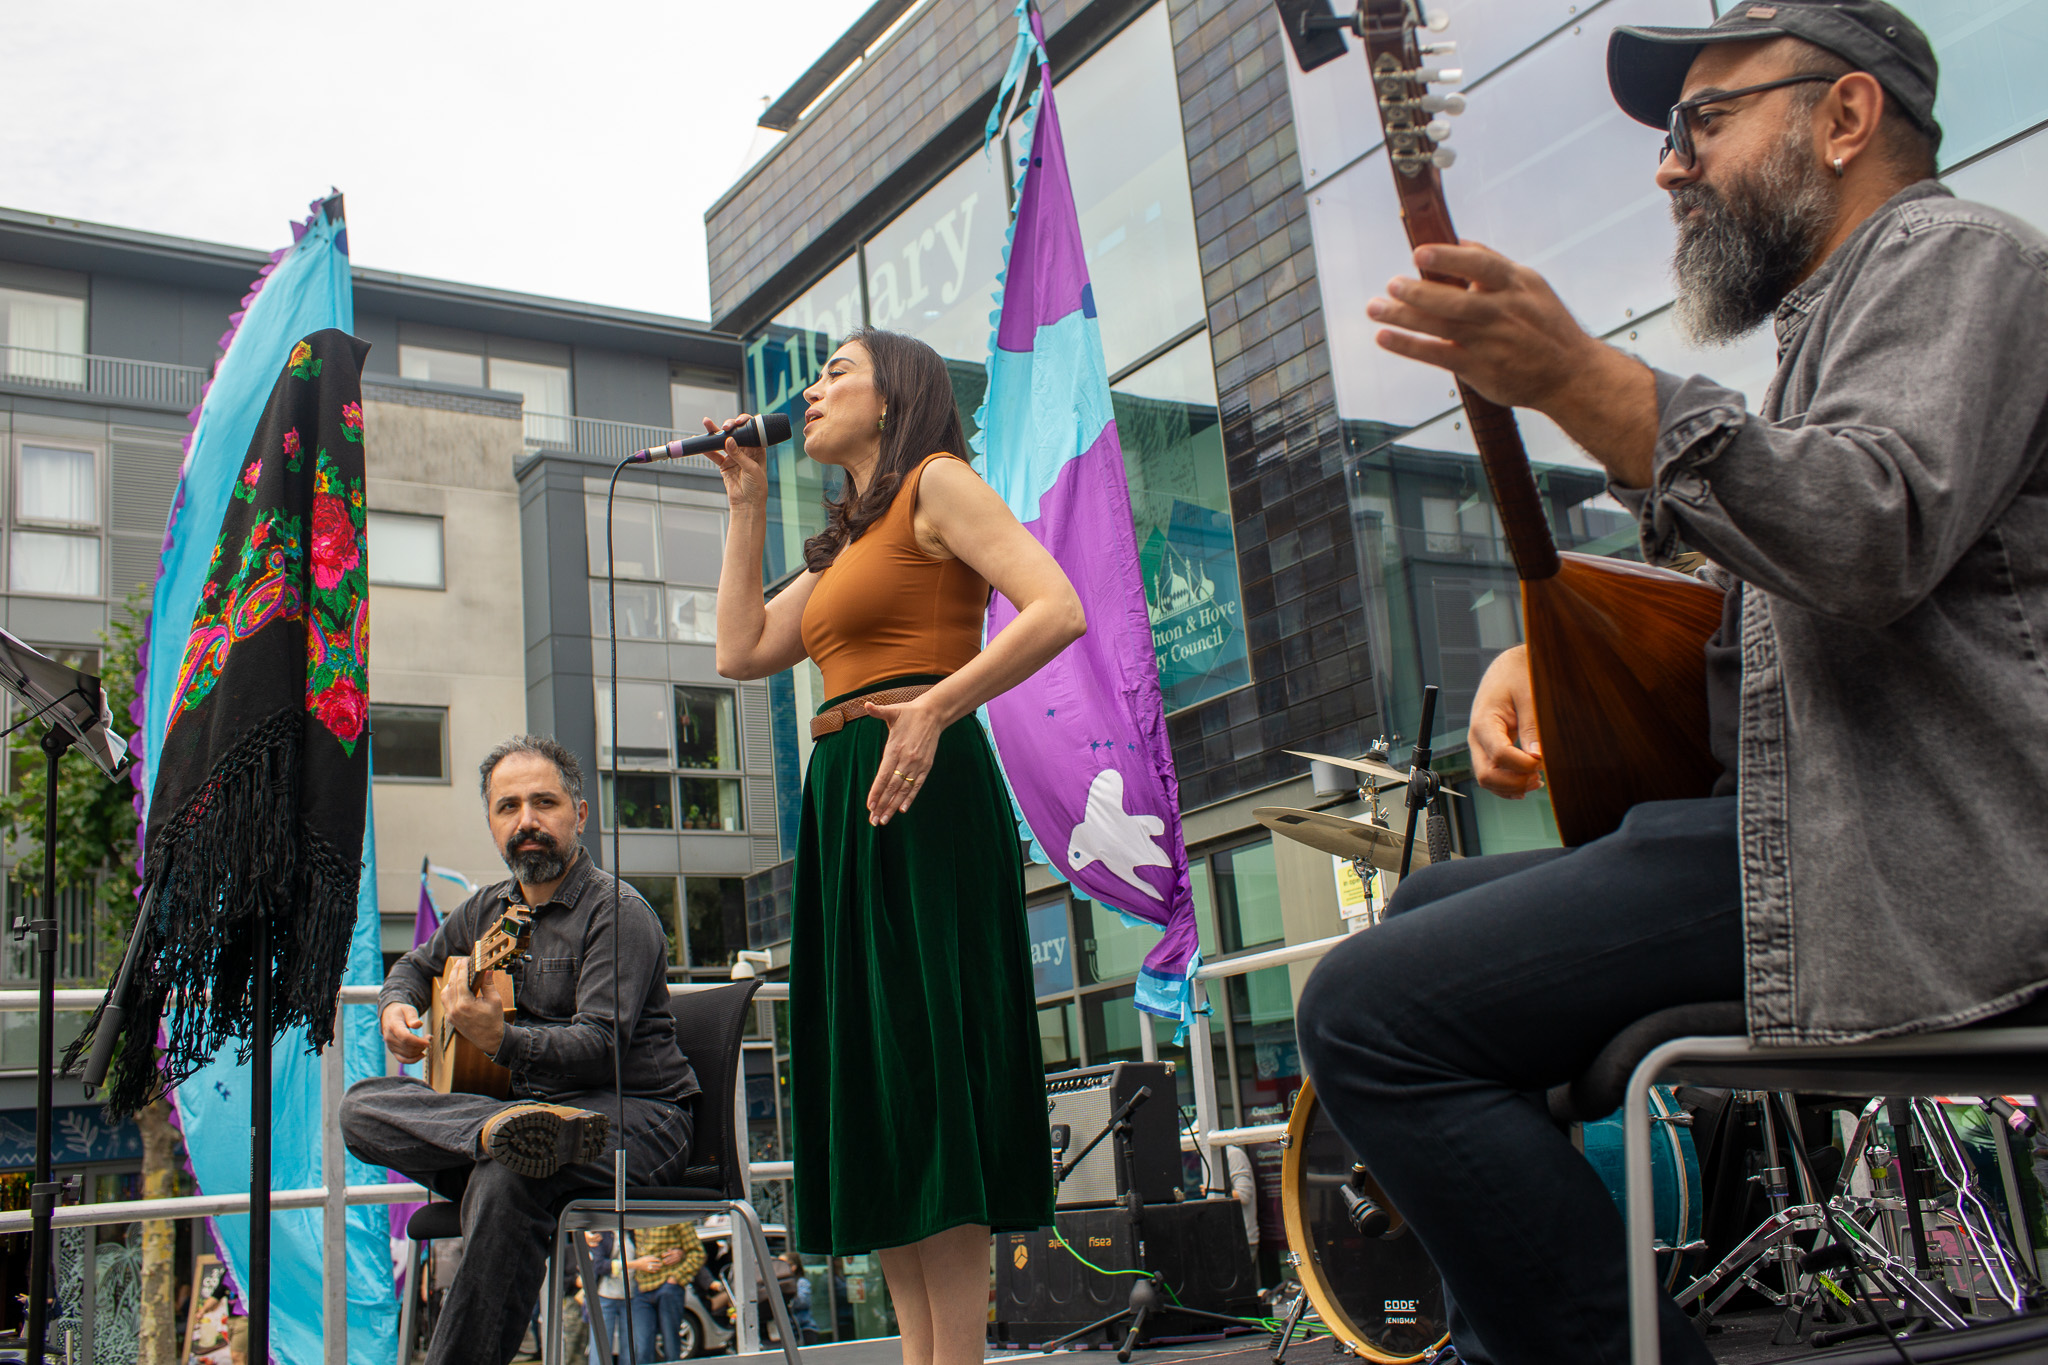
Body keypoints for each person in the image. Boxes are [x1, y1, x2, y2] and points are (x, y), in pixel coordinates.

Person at [1294, 3, 2048, 1362]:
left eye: (1701, 120)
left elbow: (1866, 529)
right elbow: (1796, 585)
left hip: (1893, 859)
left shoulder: (1955, 256)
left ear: (1845, 116)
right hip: (1806, 839)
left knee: (1367, 1012)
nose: (1666, 163)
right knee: (1418, 912)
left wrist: (1586, 381)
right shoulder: (1839, 323)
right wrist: (1545, 647)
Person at [707, 326, 1084, 1365]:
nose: (813, 391)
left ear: (893, 398)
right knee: (883, 1080)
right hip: (844, 796)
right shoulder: (845, 546)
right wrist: (745, 503)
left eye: (838, 371)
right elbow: (740, 647)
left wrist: (937, 708)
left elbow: (1056, 607)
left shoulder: (937, 481)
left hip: (922, 783)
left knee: (927, 1069)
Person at [341, 736, 700, 1365]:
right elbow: (414, 967)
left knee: (511, 1173)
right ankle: (494, 1134)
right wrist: (397, 1006)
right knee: (360, 1108)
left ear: (579, 814)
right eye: (508, 807)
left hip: (636, 1118)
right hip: (519, 1120)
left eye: (544, 803)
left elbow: (601, 1047)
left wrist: (500, 1041)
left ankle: (504, 1140)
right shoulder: (486, 909)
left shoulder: (617, 913)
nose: (526, 821)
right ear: (490, 822)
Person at [628, 1221, 706, 1359]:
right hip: (642, 1288)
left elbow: (697, 1253)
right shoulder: (637, 1217)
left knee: (671, 1343)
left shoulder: (674, 1217)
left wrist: (676, 1278)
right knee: (642, 1347)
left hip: (667, 1287)